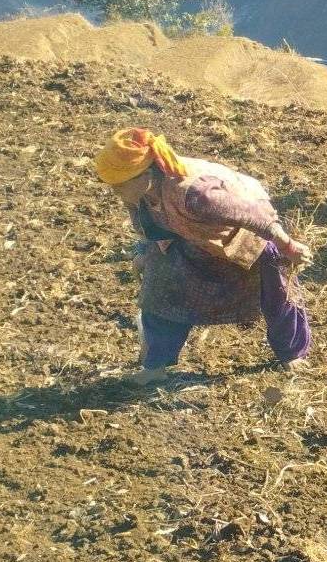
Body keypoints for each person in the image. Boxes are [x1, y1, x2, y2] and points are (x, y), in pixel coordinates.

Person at [94, 128, 314, 383]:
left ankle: (292, 354)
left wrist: (289, 247)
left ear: (145, 176)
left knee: (277, 292)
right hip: (191, 238)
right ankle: (154, 368)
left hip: (247, 235)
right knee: (159, 291)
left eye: (119, 186)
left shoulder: (196, 194)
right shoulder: (137, 194)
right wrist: (142, 253)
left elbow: (256, 217)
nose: (116, 193)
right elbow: (145, 227)